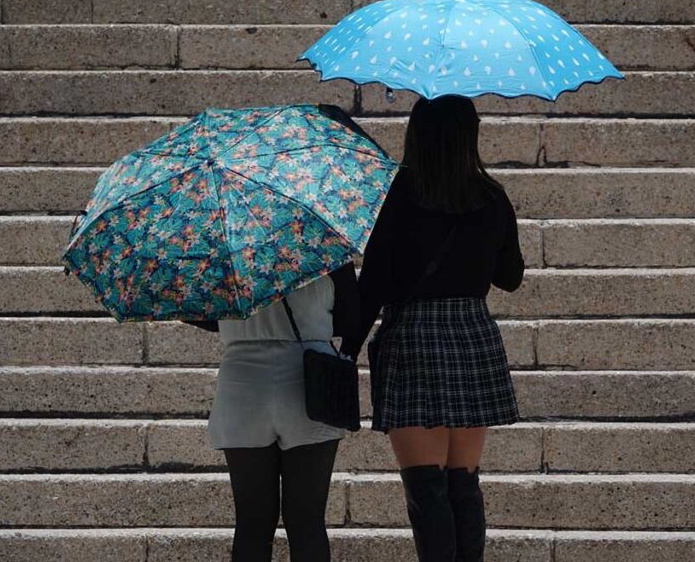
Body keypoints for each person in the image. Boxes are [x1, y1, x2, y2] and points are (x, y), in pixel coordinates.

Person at [340, 96, 525, 562]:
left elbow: (374, 284)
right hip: (471, 334)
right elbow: (511, 276)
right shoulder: (491, 196)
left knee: (427, 488)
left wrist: (346, 351)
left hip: (414, 336)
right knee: (463, 482)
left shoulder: (399, 195)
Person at [186, 264, 359, 562]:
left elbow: (198, 312)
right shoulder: (325, 249)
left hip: (243, 382)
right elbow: (350, 317)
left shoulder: (221, 256)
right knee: (308, 521)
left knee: (252, 522)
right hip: (309, 376)